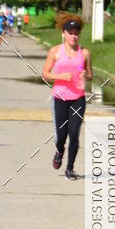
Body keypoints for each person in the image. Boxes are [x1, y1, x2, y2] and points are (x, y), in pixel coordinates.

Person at [41, 14, 92, 180]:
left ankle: (70, 168)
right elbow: (45, 74)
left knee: (74, 133)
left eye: (76, 32)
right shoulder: (55, 51)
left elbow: (91, 75)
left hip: (78, 98)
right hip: (60, 98)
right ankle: (59, 150)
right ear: (64, 33)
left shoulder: (84, 53)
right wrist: (61, 77)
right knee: (61, 135)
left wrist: (86, 75)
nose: (74, 35)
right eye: (70, 32)